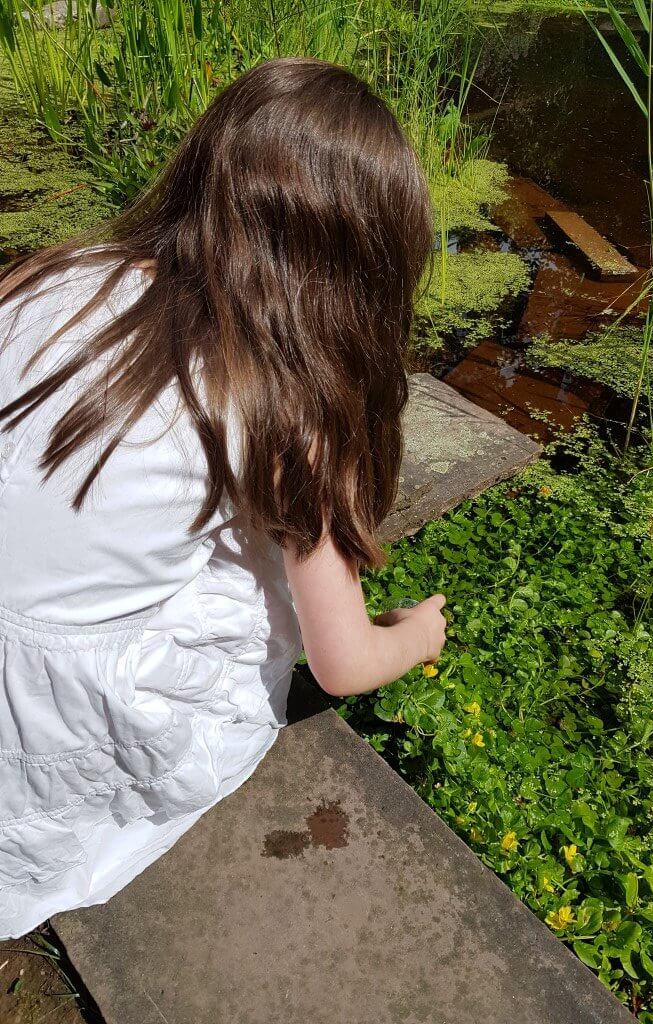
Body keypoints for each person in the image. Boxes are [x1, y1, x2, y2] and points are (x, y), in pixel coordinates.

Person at [0, 57, 447, 939]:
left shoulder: (56, 272)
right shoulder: (288, 409)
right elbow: (343, 664)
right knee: (260, 593)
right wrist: (415, 636)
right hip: (40, 715)